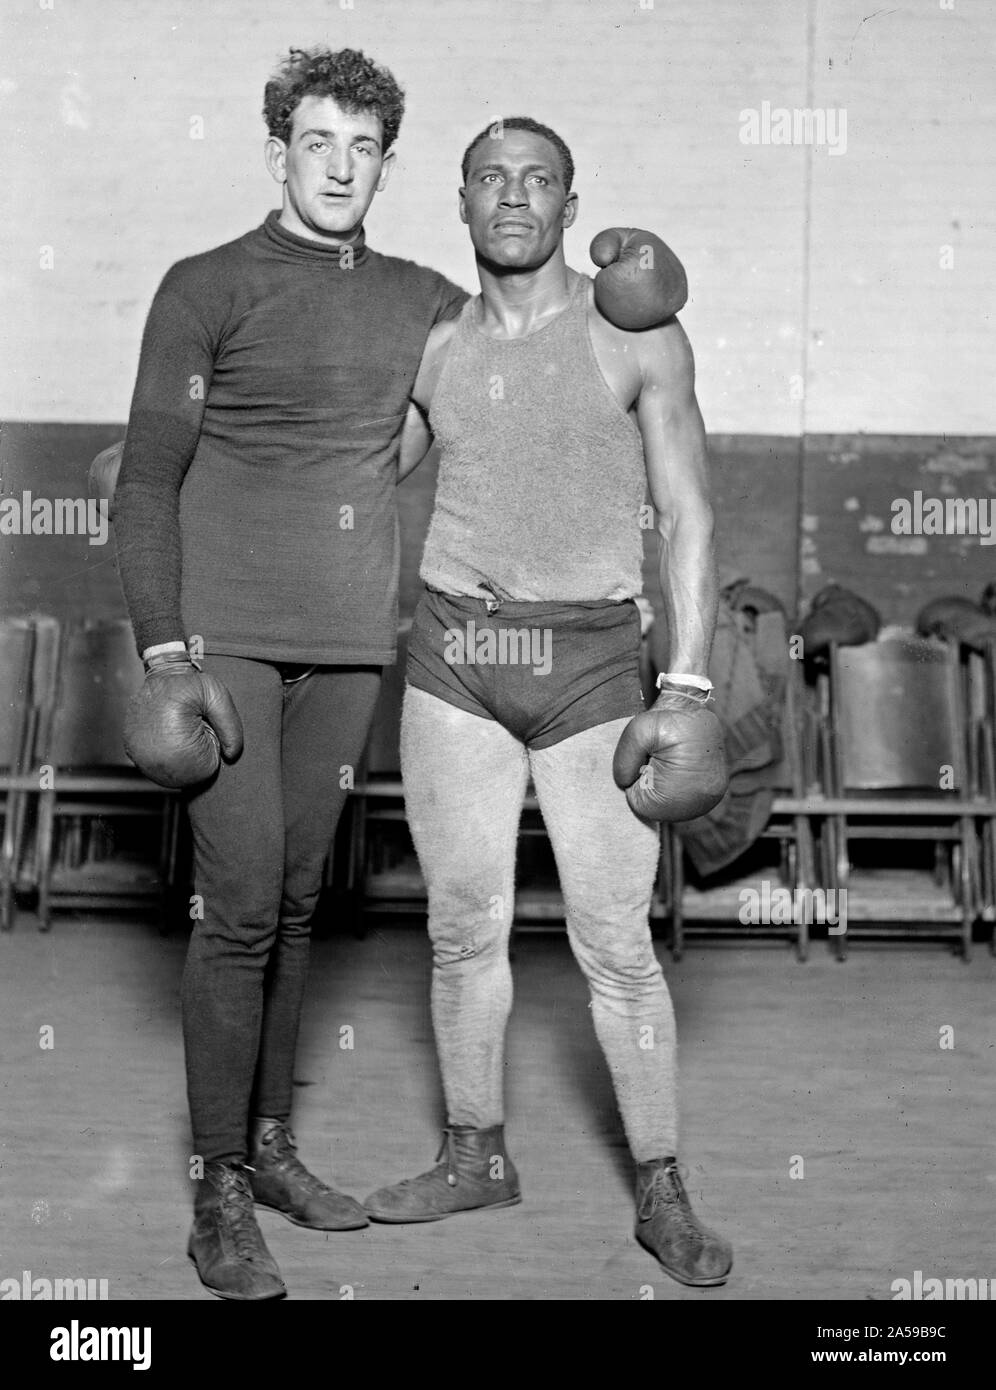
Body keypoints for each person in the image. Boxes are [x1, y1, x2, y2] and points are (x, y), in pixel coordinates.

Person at [112, 46, 469, 1302]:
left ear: (385, 162)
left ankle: (270, 1146)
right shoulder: (203, 286)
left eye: (364, 148)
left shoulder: (425, 300)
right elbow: (144, 482)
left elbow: (509, 376)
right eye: (318, 143)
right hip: (223, 649)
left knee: (304, 900)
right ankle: (217, 1183)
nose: (340, 168)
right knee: (245, 901)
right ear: (279, 153)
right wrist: (167, 653)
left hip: (349, 644)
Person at [362, 117, 734, 1288]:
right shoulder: (434, 349)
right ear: (459, 203)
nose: (513, 196)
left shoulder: (636, 333)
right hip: (456, 659)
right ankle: (476, 1152)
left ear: (574, 207)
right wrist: (205, 478)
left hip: (588, 670)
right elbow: (352, 480)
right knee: (461, 926)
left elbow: (689, 512)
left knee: (616, 944)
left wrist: (686, 680)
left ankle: (662, 1183)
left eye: (539, 180)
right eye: (490, 178)